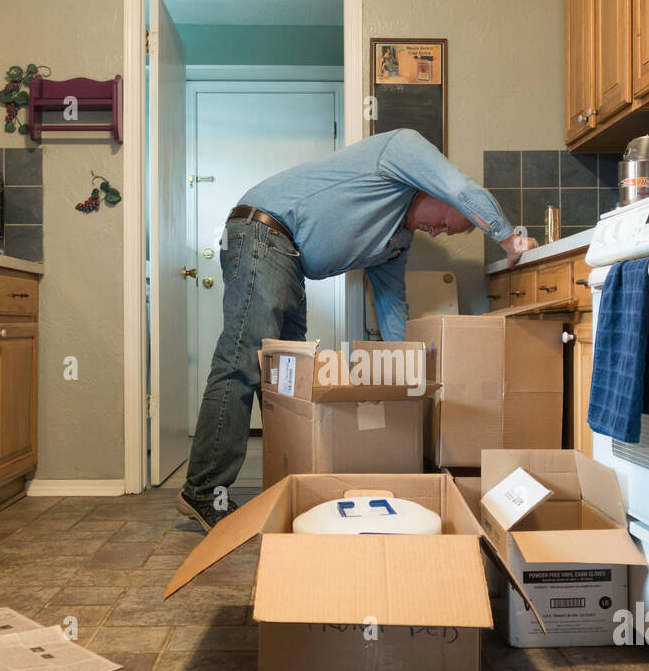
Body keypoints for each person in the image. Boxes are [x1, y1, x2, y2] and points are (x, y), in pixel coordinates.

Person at [177, 127, 536, 531]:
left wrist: (405, 372)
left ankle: (288, 480)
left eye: (443, 233)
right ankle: (204, 491)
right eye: (445, 223)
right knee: (243, 360)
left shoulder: (395, 242)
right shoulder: (402, 148)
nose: (436, 232)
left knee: (286, 379)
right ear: (440, 195)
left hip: (286, 257)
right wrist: (509, 239)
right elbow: (461, 186)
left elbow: (391, 304)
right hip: (263, 233)